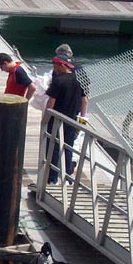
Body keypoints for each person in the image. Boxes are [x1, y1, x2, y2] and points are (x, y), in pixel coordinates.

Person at [44, 51, 87, 184]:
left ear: (61, 65)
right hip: (72, 119)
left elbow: (51, 102)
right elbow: (85, 100)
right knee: (68, 147)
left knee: (53, 148)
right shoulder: (79, 79)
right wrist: (83, 119)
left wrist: (45, 119)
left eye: (55, 66)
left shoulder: (58, 81)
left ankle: (52, 178)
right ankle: (68, 177)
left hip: (56, 119)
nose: (54, 69)